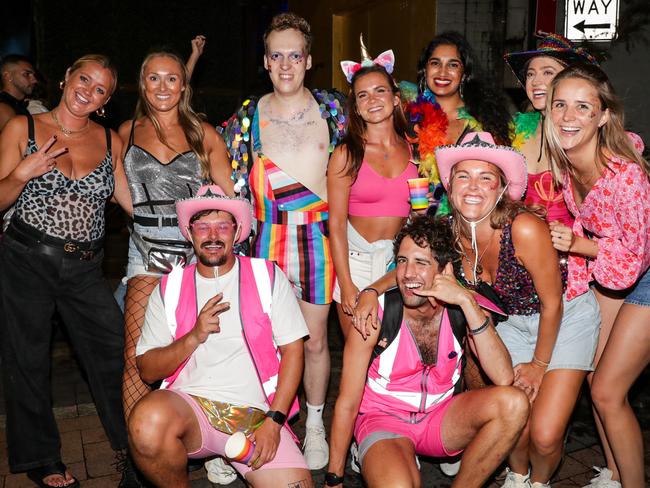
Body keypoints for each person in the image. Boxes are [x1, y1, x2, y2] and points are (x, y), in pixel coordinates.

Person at [353, 132, 601, 487]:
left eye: (486, 177)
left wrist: (539, 365)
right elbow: (411, 265)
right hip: (512, 323)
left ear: (501, 188)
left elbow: (552, 302)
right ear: (450, 186)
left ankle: (540, 482)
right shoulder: (451, 231)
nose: (473, 186)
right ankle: (518, 475)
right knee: (518, 418)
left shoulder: (524, 228)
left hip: (565, 315)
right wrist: (370, 290)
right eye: (463, 176)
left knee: (545, 434)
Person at [0, 54, 133, 488]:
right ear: (64, 78)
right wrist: (22, 173)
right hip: (26, 259)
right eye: (83, 79)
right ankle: (41, 459)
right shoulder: (25, 128)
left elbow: (133, 204)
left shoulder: (110, 141)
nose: (88, 91)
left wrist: (190, 216)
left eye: (100, 89)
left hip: (85, 268)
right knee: (28, 360)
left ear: (105, 101)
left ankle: (135, 442)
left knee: (115, 352)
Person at [222, 12, 346, 470]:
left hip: (319, 237)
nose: (287, 64)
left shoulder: (336, 110)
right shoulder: (245, 118)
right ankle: (244, 425)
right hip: (264, 239)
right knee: (260, 341)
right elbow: (219, 175)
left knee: (314, 341)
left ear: (309, 60)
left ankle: (313, 424)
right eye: (277, 55)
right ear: (266, 62)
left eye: (296, 54)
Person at [128, 185, 313, 488]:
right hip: (192, 410)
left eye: (222, 226)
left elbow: (294, 351)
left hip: (256, 417)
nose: (212, 236)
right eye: (203, 226)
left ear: (236, 231)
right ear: (190, 232)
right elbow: (147, 369)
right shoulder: (170, 288)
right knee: (147, 422)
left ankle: (234, 455)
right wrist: (194, 336)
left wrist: (274, 421)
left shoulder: (266, 275)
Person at [325, 215, 528, 488]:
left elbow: (503, 377)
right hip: (384, 419)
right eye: (402, 261)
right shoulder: (378, 314)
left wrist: (467, 304)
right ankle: (376, 454)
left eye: (421, 263)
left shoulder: (463, 309)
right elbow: (347, 401)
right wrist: (333, 478)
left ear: (444, 271)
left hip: (439, 417)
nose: (408, 273)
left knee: (513, 403)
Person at [545, 64, 650, 488]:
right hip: (613, 268)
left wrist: (578, 246)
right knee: (593, 374)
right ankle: (614, 472)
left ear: (602, 115)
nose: (569, 116)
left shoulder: (626, 175)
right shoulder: (569, 163)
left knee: (608, 391)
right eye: (560, 105)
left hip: (642, 271)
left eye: (582, 107)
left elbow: (636, 257)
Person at [119, 50, 233, 423]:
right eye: (154, 78)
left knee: (204, 347)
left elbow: (230, 200)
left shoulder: (205, 133)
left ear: (184, 85)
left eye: (172, 78)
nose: (163, 86)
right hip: (146, 253)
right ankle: (137, 458)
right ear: (142, 83)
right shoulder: (126, 132)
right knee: (137, 354)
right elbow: (115, 186)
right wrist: (139, 218)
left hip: (195, 252)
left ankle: (210, 434)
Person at [330, 40, 417, 338]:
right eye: (362, 95)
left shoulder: (416, 150)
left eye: (380, 90)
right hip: (357, 264)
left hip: (402, 264)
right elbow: (336, 224)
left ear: (395, 98)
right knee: (361, 354)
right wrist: (347, 282)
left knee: (400, 358)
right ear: (355, 107)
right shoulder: (346, 153)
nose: (373, 99)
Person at [400, 31, 512, 214]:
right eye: (435, 63)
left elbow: (500, 183)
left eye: (453, 64)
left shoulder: (486, 122)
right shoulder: (407, 118)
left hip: (470, 224)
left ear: (464, 73)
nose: (442, 72)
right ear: (425, 69)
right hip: (419, 224)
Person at [504, 33, 598, 227]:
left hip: (570, 251)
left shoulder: (582, 134)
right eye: (530, 74)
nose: (536, 81)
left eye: (548, 72)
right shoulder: (516, 132)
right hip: (519, 247)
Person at [0, 54, 37, 132]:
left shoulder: (17, 104)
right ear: (8, 76)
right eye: (26, 74)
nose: (34, 80)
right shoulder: (3, 108)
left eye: (33, 75)